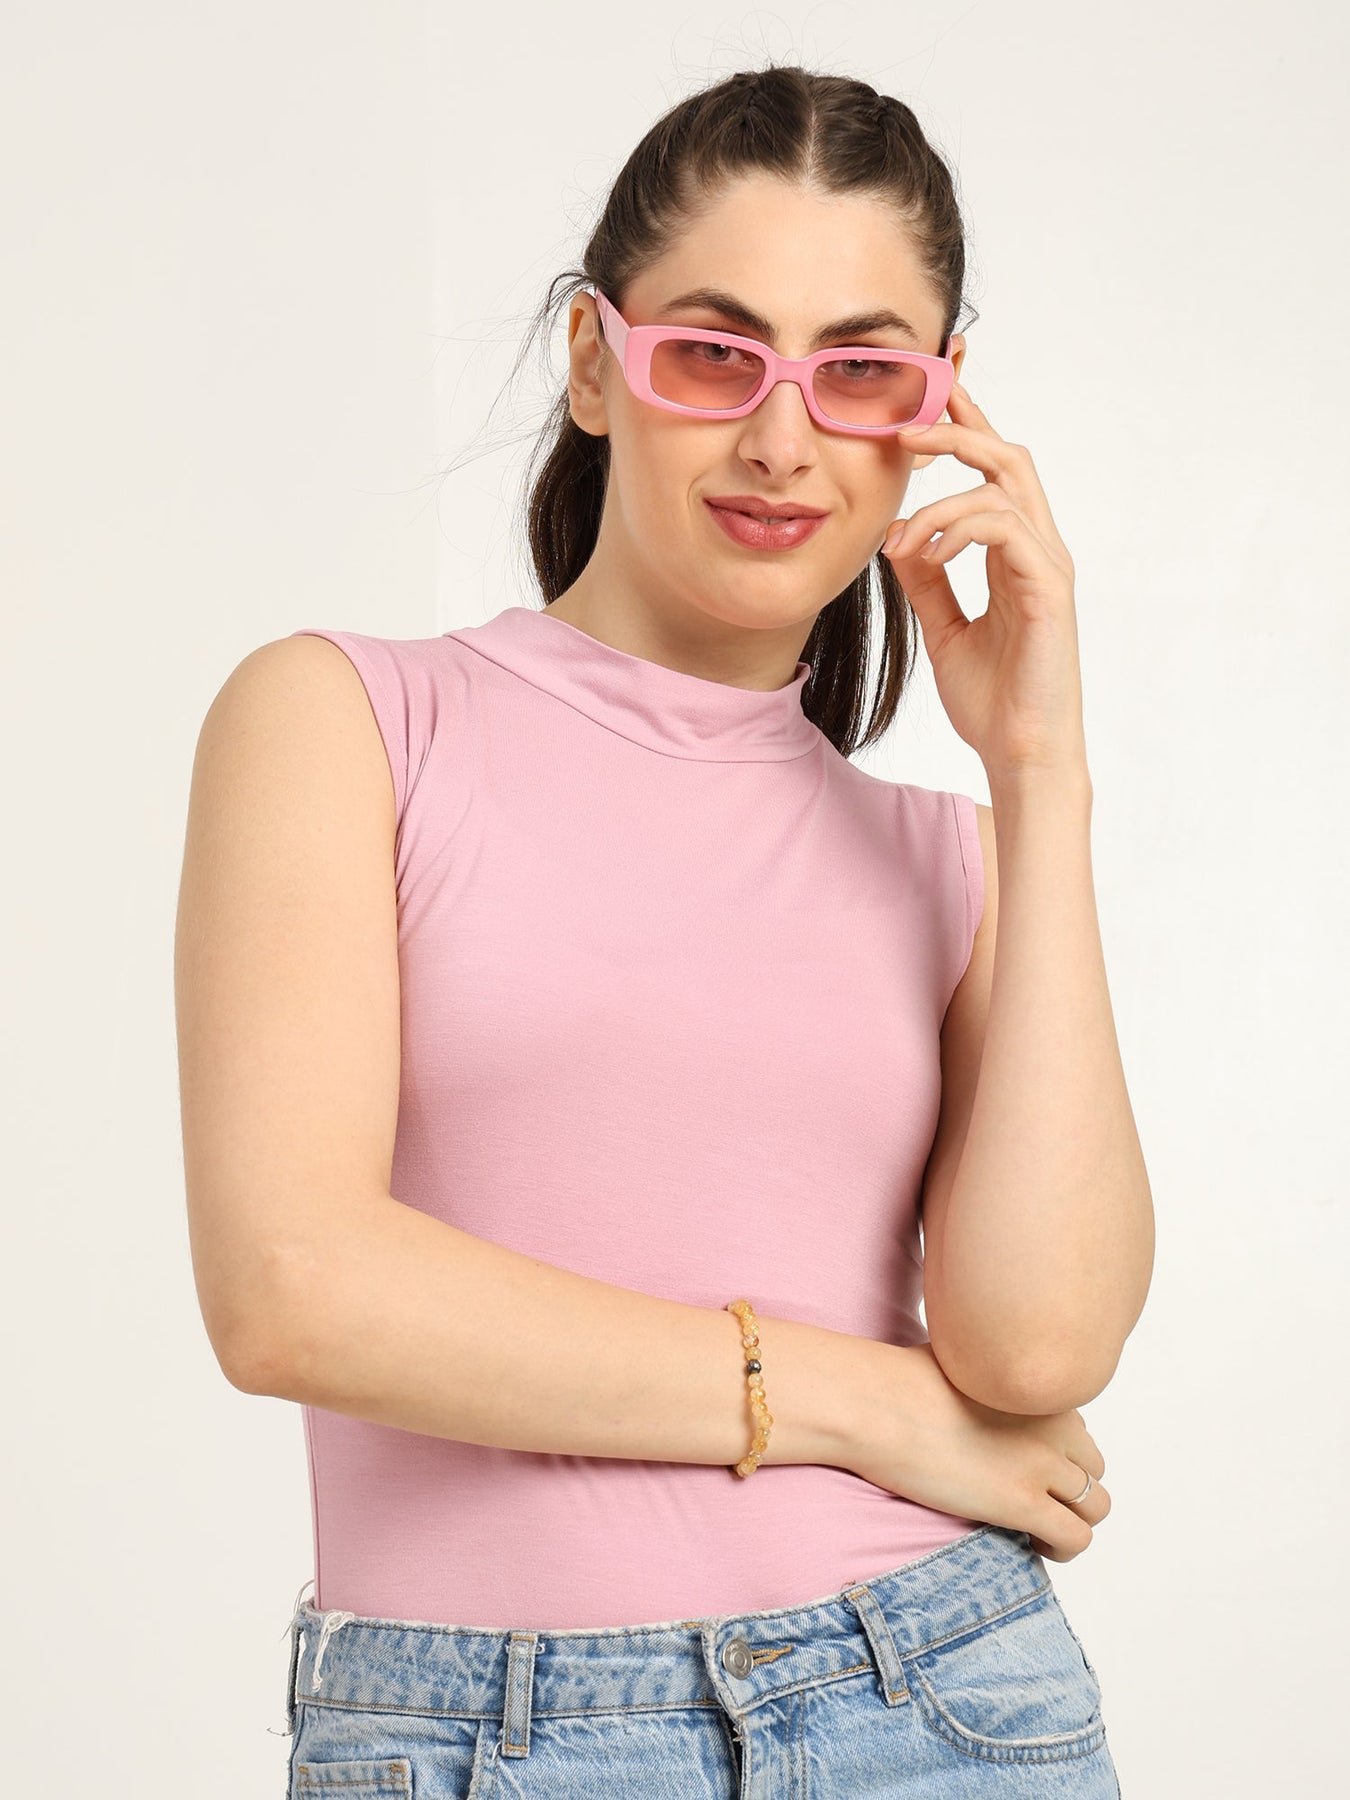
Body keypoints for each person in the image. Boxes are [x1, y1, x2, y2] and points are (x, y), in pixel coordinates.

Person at [174, 61, 1152, 1797]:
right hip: (487, 1734)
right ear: (592, 361)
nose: (782, 438)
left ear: (933, 409)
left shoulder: (950, 858)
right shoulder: (348, 724)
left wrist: (1039, 772)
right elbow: (294, 1294)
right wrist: (865, 1403)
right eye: (715, 353)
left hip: (940, 1703)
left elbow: (1036, 1349)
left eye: (859, 370)